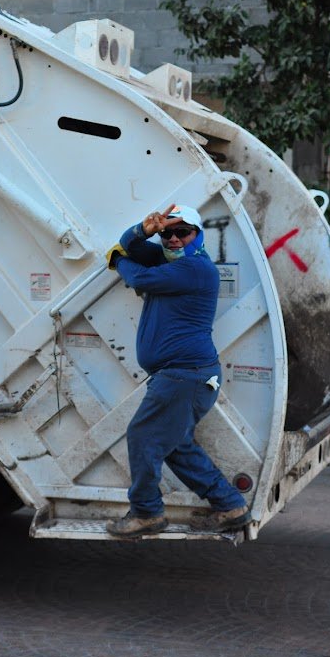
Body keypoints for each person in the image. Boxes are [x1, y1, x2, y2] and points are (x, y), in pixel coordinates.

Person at [105, 203, 252, 538]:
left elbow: (136, 273)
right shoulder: (171, 262)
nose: (173, 239)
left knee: (143, 437)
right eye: (168, 233)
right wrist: (143, 231)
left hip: (184, 375)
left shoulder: (196, 269)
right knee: (175, 445)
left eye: (182, 232)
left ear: (198, 236)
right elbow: (131, 244)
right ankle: (229, 504)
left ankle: (146, 513)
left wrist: (117, 259)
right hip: (185, 375)